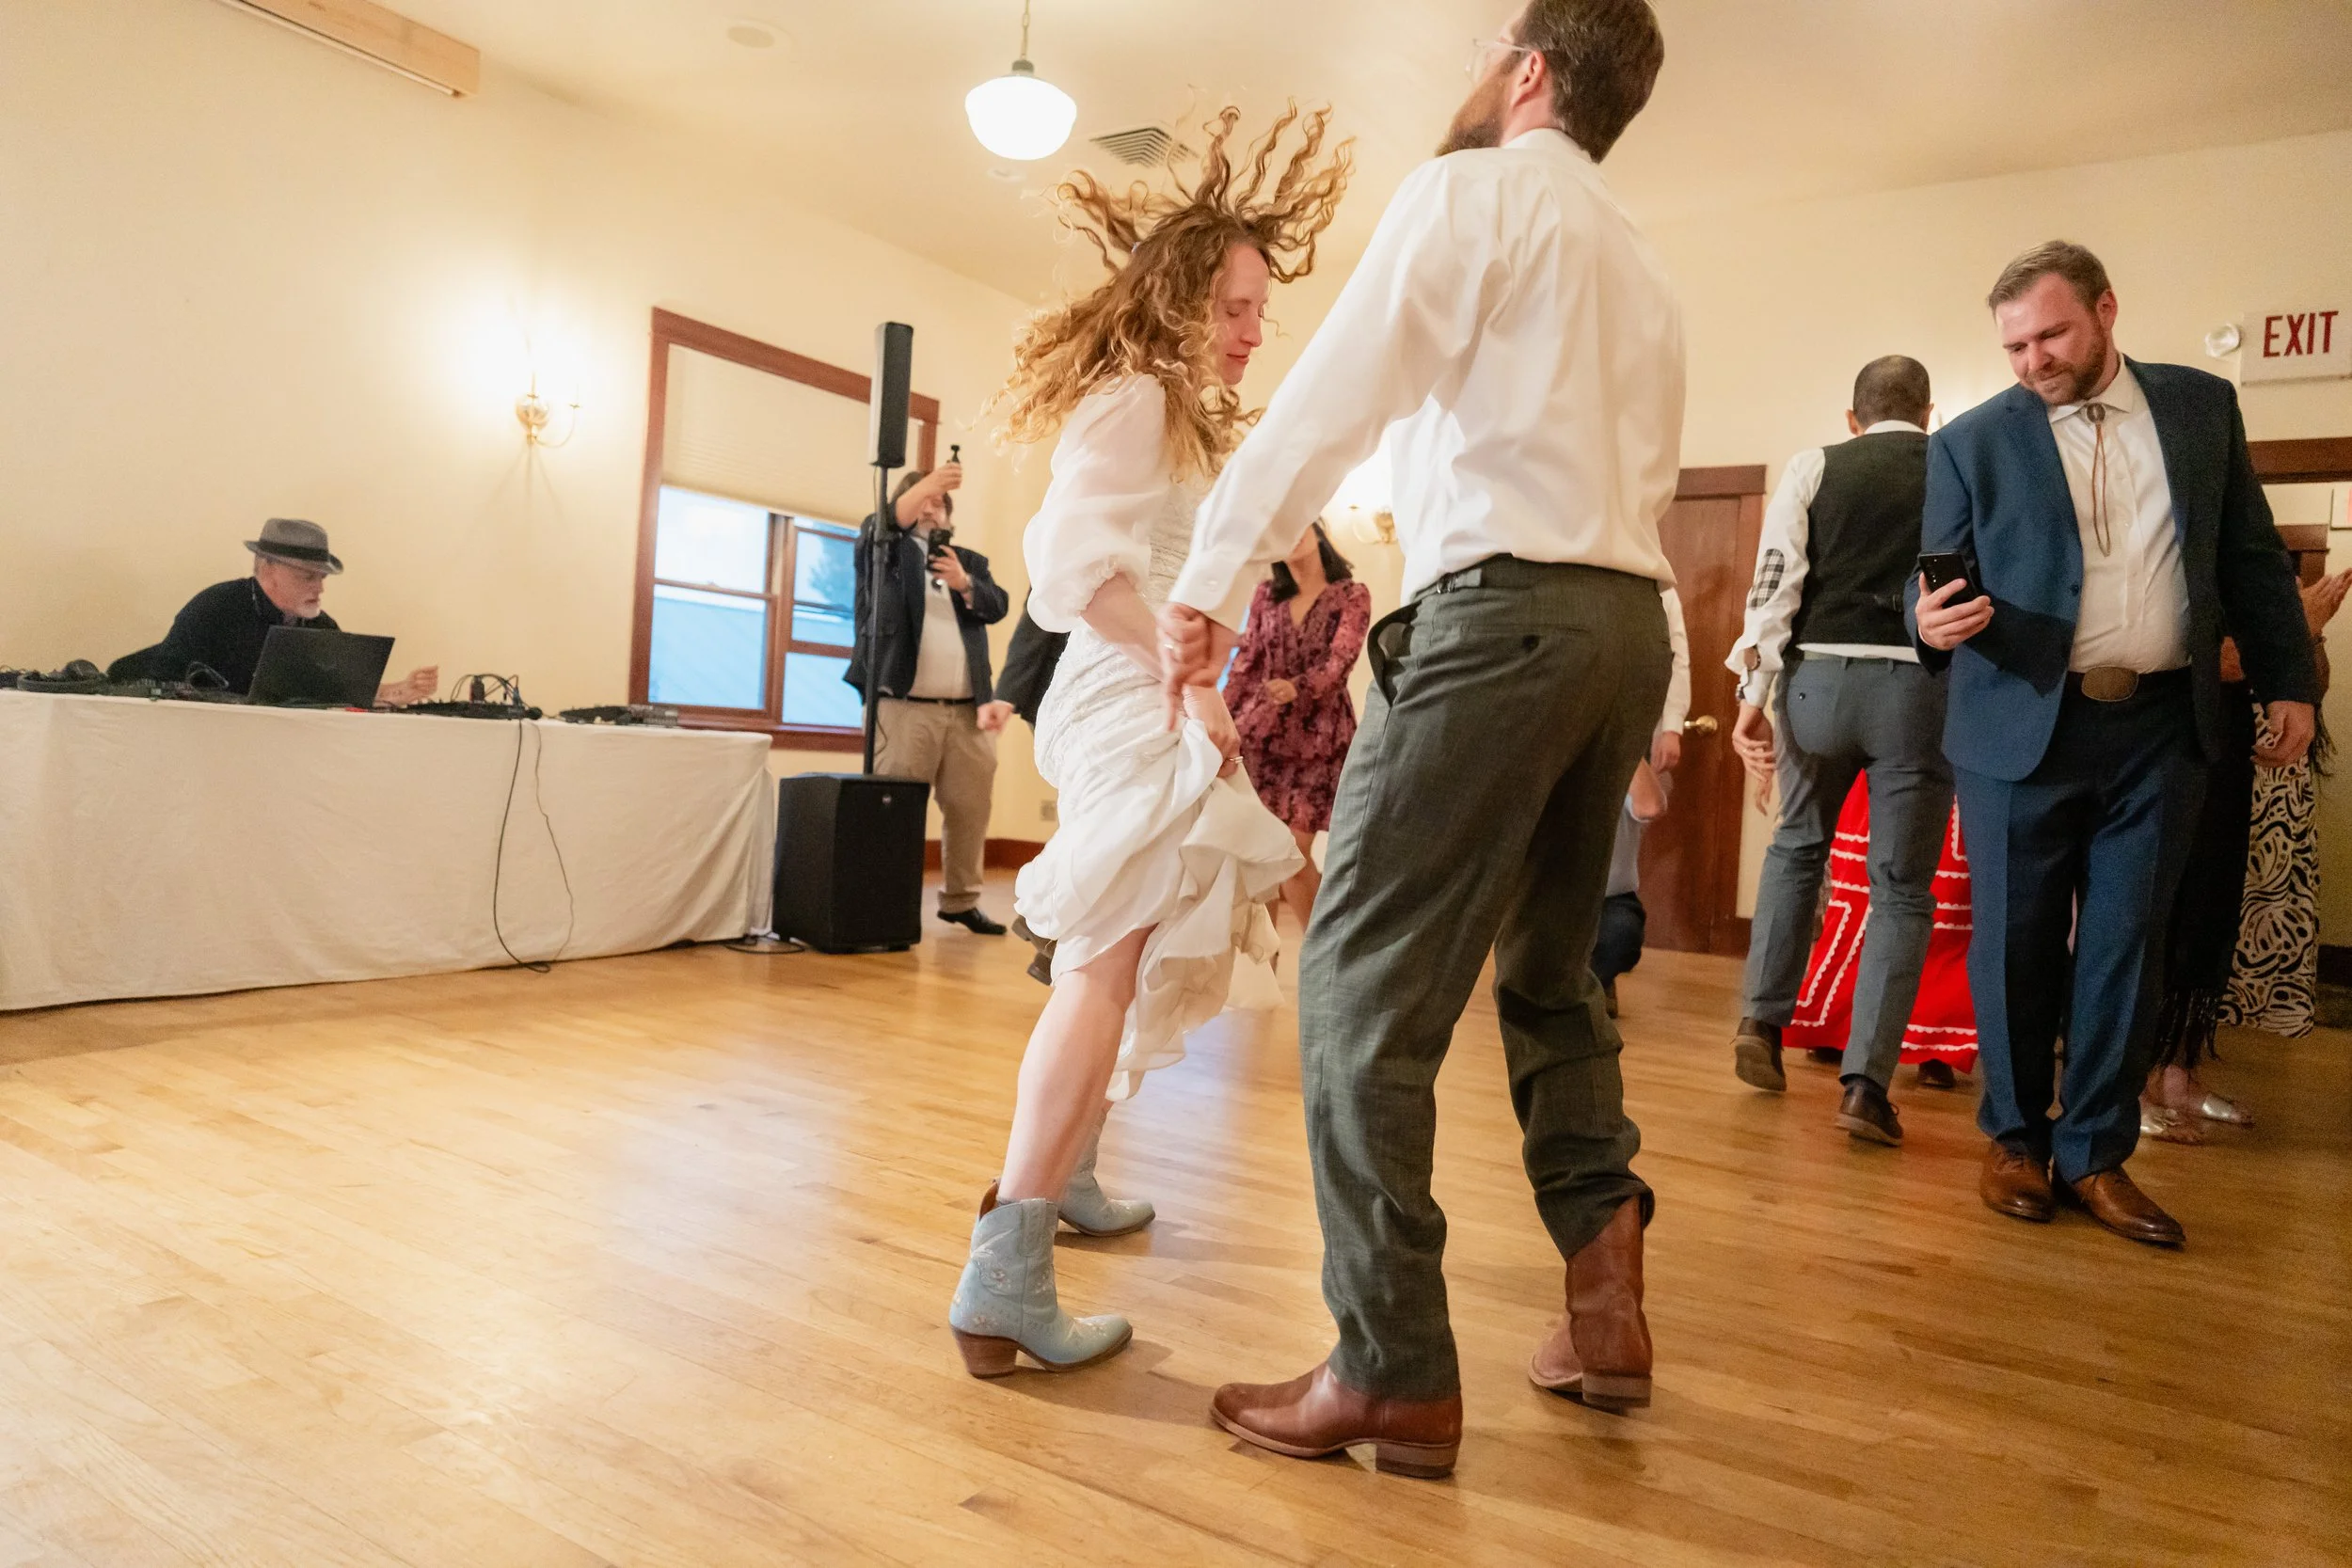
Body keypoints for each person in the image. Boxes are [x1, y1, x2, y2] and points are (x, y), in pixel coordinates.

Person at [1161, 0, 1678, 1478]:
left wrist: (1207, 579)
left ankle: (1389, 1365)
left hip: (1499, 623)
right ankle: (1605, 1296)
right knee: (1554, 965)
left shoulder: (1473, 192)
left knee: (1356, 983)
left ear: (1527, 71)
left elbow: (1330, 402)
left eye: (1483, 52)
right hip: (1621, 632)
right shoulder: (1644, 263)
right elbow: (1634, 509)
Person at [944, 106, 1348, 1379]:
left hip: (1162, 699)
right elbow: (1069, 570)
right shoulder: (1130, 398)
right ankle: (1004, 1271)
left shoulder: (1181, 415)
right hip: (1128, 704)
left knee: (1144, 937)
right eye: (1234, 305)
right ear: (1178, 301)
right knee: (1100, 966)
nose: (1250, 329)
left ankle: (1070, 1170)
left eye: (1258, 310)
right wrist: (1184, 675)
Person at [1912, 240, 2316, 1248]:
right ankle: (2014, 1139)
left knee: (2126, 947)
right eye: (2013, 344)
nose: (2032, 359)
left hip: (2162, 724)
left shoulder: (2198, 407)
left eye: (2050, 333)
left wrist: (2288, 682)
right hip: (2018, 723)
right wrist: (1922, 620)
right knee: (2014, 945)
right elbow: (1927, 577)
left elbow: (2250, 559)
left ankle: (2095, 1152)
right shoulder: (1968, 440)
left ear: (2105, 310)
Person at [1725, 356, 1949, 1148]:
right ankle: (1865, 1086)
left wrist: (1752, 700)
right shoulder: (1956, 463)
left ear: (1853, 417)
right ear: (1929, 412)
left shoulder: (1815, 465)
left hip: (1815, 684)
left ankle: (1761, 1020)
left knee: (1795, 846)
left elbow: (1774, 583)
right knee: (1900, 890)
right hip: (1915, 692)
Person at [2140, 568, 2346, 1142]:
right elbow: (2211, 662)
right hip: (2167, 751)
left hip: (2239, 768)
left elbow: (2314, 683)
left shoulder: (2263, 564)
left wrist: (2309, 634)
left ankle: (2178, 1074)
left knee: (2209, 919)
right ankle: (2124, 1084)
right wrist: (2290, 630)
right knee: (2154, 924)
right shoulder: (2178, 564)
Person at [848, 464, 1013, 935]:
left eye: (941, 501)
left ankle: (960, 900)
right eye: (925, 498)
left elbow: (996, 605)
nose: (933, 505)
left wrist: (964, 583)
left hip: (966, 710)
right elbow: (880, 523)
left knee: (970, 809)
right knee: (894, 810)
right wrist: (931, 482)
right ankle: (885, 902)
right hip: (903, 707)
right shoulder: (884, 553)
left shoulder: (969, 562)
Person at [1223, 520, 1373, 936]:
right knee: (1260, 861)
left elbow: (1340, 663)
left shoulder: (1352, 595)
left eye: (1299, 522)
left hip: (1319, 740)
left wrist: (1297, 687)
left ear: (1319, 530)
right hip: (1262, 739)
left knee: (1292, 855)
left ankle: (1322, 955)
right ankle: (1263, 971)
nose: (1291, 534)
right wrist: (1219, 717)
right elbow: (1246, 661)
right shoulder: (1266, 594)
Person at [1780, 776, 1979, 1084]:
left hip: (1941, 764)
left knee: (1948, 906)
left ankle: (1934, 1045)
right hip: (1889, 762)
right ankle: (1838, 1030)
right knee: (1860, 902)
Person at [113, 517, 436, 703]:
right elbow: (163, 683)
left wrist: (396, 691)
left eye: (321, 578)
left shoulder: (322, 627)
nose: (319, 588)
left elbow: (336, 696)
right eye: (307, 576)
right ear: (268, 570)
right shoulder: (215, 608)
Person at [1593, 758, 1668, 1016]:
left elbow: (1650, 806)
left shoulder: (1619, 767)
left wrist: (1626, 744)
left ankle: (1596, 981)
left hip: (1611, 899)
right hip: (1551, 898)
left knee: (1621, 935)